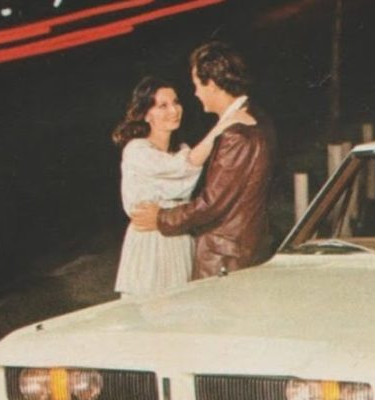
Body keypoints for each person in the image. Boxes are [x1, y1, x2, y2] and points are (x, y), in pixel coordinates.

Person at [131, 41, 276, 279]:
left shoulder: (237, 134)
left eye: (197, 85)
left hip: (226, 257)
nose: (196, 93)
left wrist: (160, 218)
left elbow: (211, 203)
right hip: (240, 247)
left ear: (213, 85)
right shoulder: (254, 118)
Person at [111, 76, 248, 298]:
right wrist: (223, 125)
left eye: (176, 102)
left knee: (182, 304)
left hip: (179, 236)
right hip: (150, 241)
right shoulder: (137, 150)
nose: (174, 110)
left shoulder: (181, 148)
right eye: (162, 105)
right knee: (149, 308)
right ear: (146, 114)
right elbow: (182, 167)